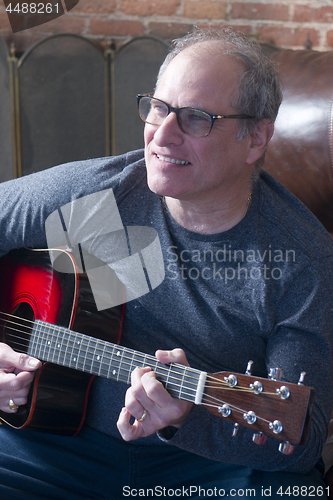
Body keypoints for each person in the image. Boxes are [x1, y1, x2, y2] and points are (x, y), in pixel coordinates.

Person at [0, 26, 332, 499]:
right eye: (159, 107)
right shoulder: (99, 195)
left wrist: (186, 421)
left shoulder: (303, 262)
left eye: (196, 118)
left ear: (255, 138)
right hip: (48, 448)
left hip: (207, 467)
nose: (163, 135)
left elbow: (302, 438)